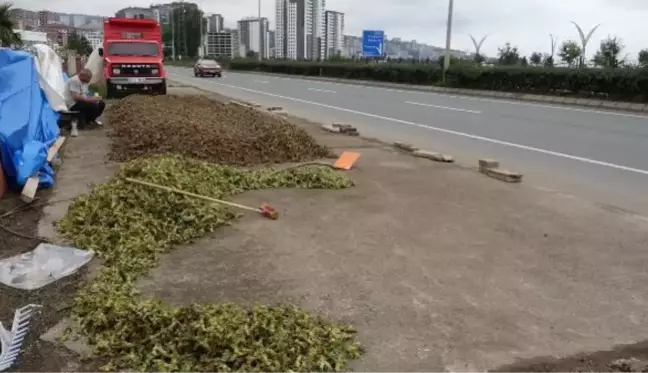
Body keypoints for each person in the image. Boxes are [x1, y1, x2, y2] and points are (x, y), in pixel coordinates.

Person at [64, 68, 104, 136]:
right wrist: (91, 100)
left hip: (80, 102)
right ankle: (87, 122)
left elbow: (85, 94)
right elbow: (76, 97)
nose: (89, 80)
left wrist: (95, 97)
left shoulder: (83, 82)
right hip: (73, 104)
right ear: (83, 76)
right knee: (93, 106)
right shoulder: (74, 81)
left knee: (101, 103)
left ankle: (91, 120)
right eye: (88, 78)